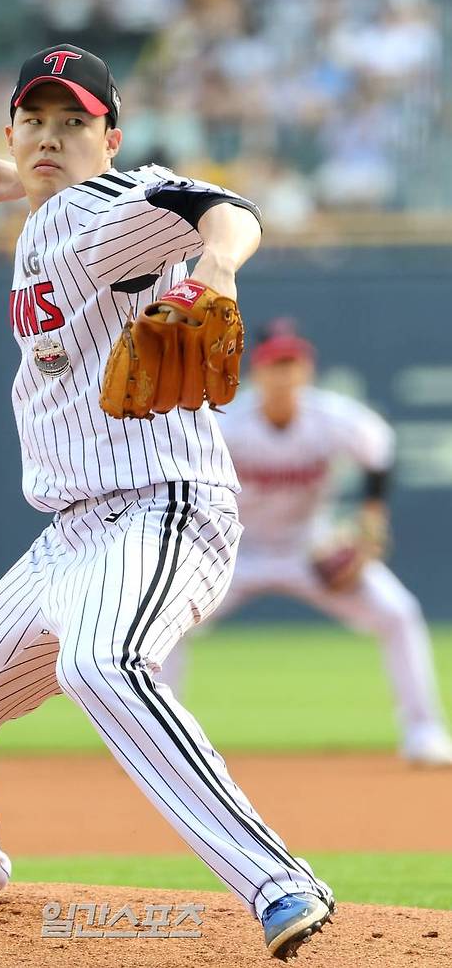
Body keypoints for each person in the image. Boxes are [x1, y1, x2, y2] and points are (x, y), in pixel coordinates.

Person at [0, 45, 334, 959]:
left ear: (113, 134)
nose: (52, 135)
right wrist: (11, 178)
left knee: (104, 661)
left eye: (75, 122)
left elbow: (226, 211)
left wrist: (216, 267)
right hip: (71, 535)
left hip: (161, 508)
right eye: (36, 121)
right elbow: (57, 197)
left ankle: (279, 878)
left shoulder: (110, 208)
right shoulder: (49, 214)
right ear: (13, 129)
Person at [178, 319, 450, 766]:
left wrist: (371, 517)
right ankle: (162, 748)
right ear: (257, 372)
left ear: (306, 370)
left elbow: (379, 451)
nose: (285, 373)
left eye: (293, 362)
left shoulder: (332, 418)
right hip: (233, 553)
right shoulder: (228, 423)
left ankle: (424, 734)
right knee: (164, 628)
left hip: (310, 550)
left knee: (399, 613)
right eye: (275, 364)